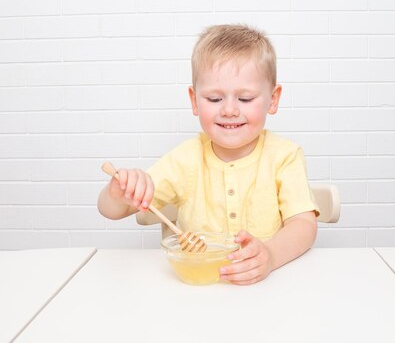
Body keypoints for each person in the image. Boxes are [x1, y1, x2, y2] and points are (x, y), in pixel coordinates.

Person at [97, 24, 319, 285]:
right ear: (194, 101)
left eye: (245, 99)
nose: (229, 110)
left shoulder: (284, 156)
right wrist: (117, 193)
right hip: (198, 290)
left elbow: (304, 225)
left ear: (273, 99)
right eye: (214, 99)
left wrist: (269, 256)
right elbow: (111, 210)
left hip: (268, 288)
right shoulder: (185, 159)